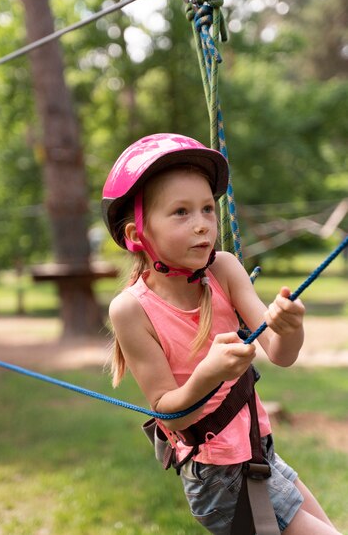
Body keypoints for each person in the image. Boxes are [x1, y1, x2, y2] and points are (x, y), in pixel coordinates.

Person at [102, 133, 341, 535]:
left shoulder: (225, 270)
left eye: (207, 209)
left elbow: (280, 353)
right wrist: (209, 373)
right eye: (180, 212)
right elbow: (170, 411)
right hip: (220, 478)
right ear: (136, 234)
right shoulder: (131, 309)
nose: (202, 225)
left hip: (258, 453)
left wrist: (290, 327)